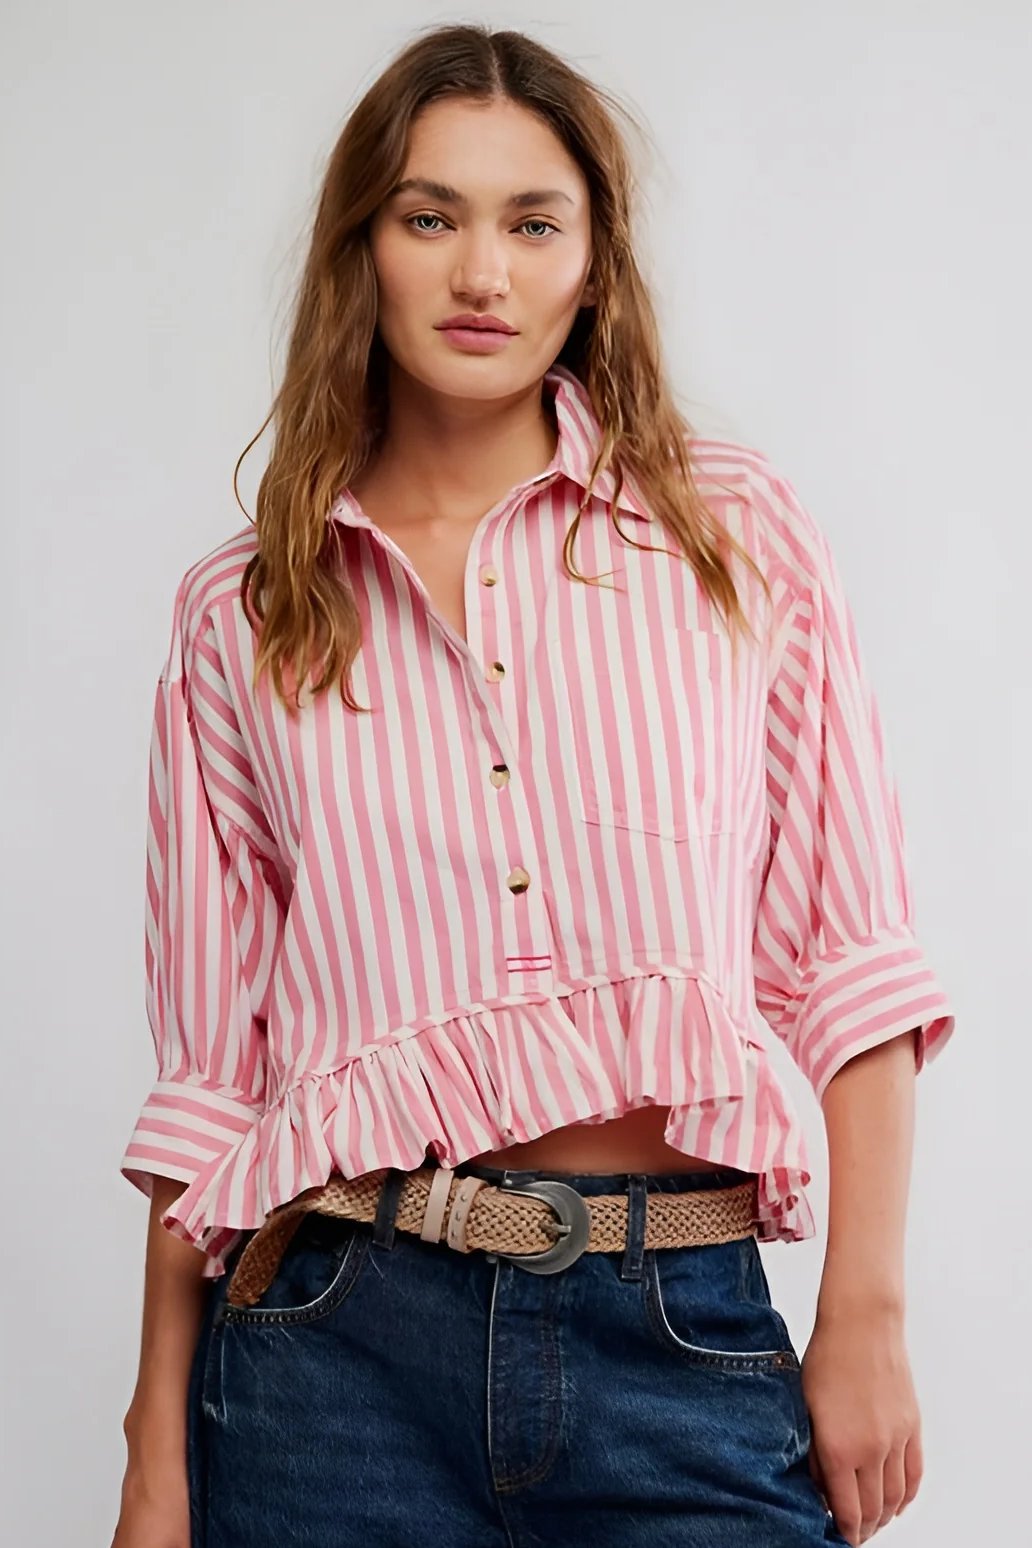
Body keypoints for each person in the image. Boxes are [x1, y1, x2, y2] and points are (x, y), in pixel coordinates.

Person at [111, 22, 956, 1548]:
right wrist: (152, 1450)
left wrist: (867, 1314)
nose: (482, 273)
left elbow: (851, 960)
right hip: (332, 1358)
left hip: (681, 1335)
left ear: (594, 264)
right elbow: (213, 1083)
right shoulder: (243, 609)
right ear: (362, 249)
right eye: (431, 216)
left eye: (533, 223)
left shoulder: (729, 536)